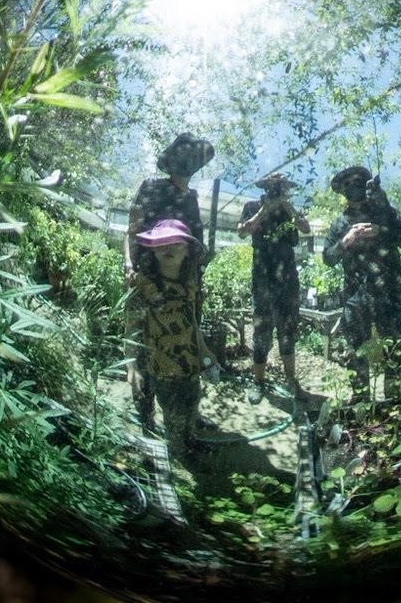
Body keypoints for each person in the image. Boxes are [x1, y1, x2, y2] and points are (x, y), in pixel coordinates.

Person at [127, 219, 218, 456]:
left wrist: (205, 350)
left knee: (191, 403)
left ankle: (191, 438)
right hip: (161, 364)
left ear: (188, 250)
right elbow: (131, 327)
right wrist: (131, 368)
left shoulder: (190, 283)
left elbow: (192, 321)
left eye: (175, 244)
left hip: (189, 360)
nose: (168, 249)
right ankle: (181, 454)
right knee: (173, 415)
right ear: (152, 249)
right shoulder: (142, 284)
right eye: (161, 244)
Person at [322, 167, 401, 401]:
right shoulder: (340, 223)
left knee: (394, 343)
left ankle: (393, 395)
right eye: (348, 184)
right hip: (355, 293)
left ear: (366, 184)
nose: (354, 187)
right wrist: (345, 241)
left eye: (358, 182)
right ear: (342, 191)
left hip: (389, 290)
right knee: (356, 347)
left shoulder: (384, 212)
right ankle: (361, 397)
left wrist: (380, 230)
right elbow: (328, 259)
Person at [238, 173, 311, 405]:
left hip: (288, 279)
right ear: (266, 188)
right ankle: (258, 382)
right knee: (261, 330)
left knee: (288, 330)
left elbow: (306, 228)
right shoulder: (252, 206)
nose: (277, 190)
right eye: (273, 187)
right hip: (263, 279)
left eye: (281, 187)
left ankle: (291, 381)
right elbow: (242, 231)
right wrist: (265, 210)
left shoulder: (290, 211)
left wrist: (287, 206)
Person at [125, 132, 215, 277]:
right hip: (147, 274)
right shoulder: (151, 186)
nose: (189, 160)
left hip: (181, 281)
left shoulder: (192, 199)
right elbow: (133, 231)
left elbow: (195, 243)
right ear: (173, 158)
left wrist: (196, 281)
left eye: (194, 155)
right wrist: (129, 264)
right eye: (184, 153)